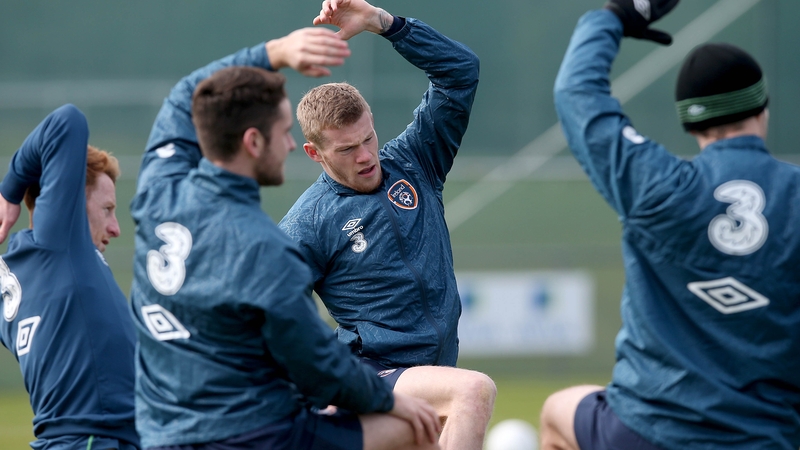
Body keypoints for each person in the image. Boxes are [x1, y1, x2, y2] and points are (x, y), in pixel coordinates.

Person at [129, 23, 442, 450]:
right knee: (418, 429)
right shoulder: (263, 247)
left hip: (159, 434)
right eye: (283, 133)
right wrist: (389, 400)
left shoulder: (156, 189)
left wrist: (274, 52)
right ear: (254, 142)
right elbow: (314, 363)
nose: (292, 146)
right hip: (253, 435)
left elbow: (187, 93)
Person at [540, 0, 800, 449]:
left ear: (689, 121)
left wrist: (611, 18)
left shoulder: (657, 184)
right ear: (763, 108)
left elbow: (576, 94)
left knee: (556, 413)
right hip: (768, 438)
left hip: (647, 432)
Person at [278, 1, 496, 449]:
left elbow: (460, 72)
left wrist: (385, 24)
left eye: (367, 139)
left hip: (430, 377)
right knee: (473, 392)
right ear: (314, 154)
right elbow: (276, 314)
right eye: (346, 150)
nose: (365, 156)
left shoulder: (415, 162)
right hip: (372, 380)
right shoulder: (308, 222)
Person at [0, 104, 139, 450]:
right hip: (92, 442)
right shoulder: (60, 241)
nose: (116, 228)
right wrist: (9, 190)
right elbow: (67, 121)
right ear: (69, 204)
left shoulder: (16, 277)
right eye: (107, 209)